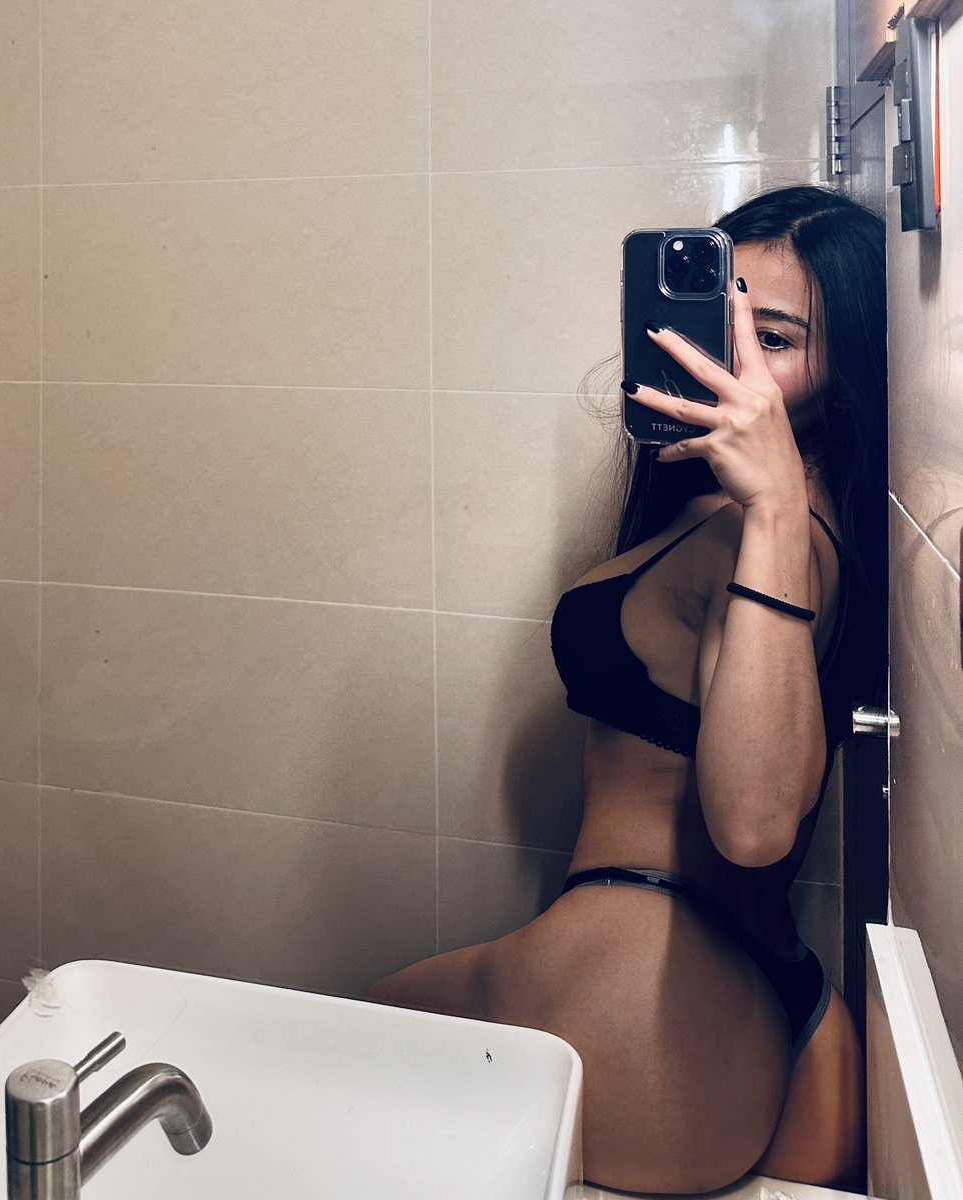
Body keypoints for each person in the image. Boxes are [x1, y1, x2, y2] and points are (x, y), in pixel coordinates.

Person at [366, 185, 887, 1195]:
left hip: (651, 1011)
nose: (733, 361)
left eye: (774, 339)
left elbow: (753, 827)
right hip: (742, 989)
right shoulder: (765, 520)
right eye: (720, 321)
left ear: (843, 377)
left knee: (302, 1071)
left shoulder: (773, 535)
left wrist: (774, 509)